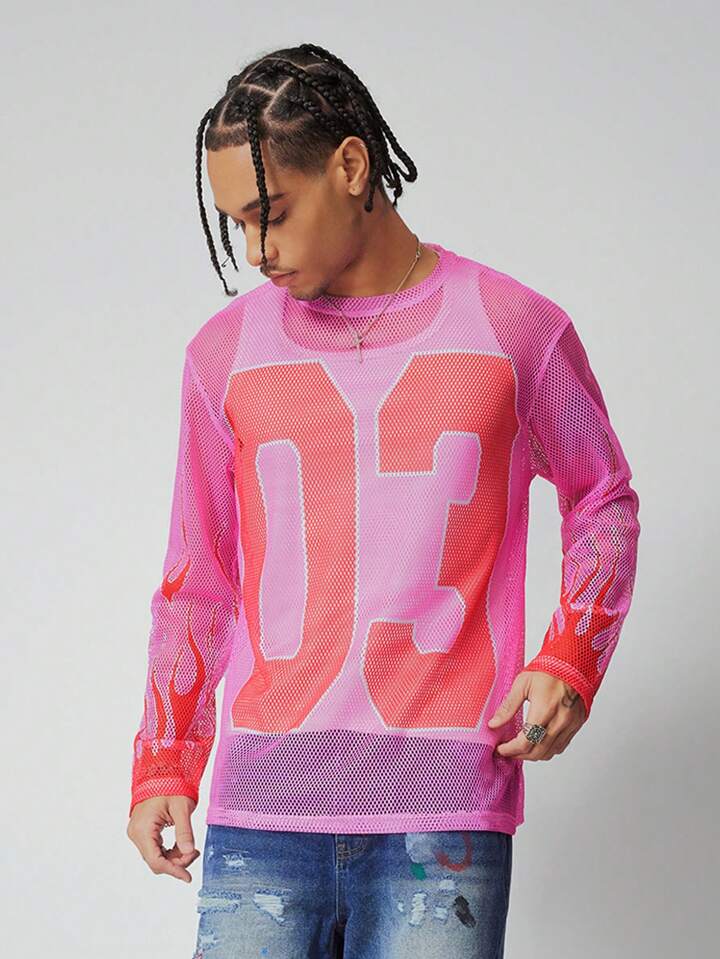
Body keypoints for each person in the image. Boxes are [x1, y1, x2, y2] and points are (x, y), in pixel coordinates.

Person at [126, 42, 641, 959]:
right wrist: (166, 755)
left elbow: (603, 496)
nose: (256, 251)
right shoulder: (222, 355)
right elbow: (197, 577)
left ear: (352, 166)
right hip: (262, 813)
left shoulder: (513, 328)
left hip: (440, 816)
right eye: (237, 225)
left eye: (272, 214)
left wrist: (571, 656)